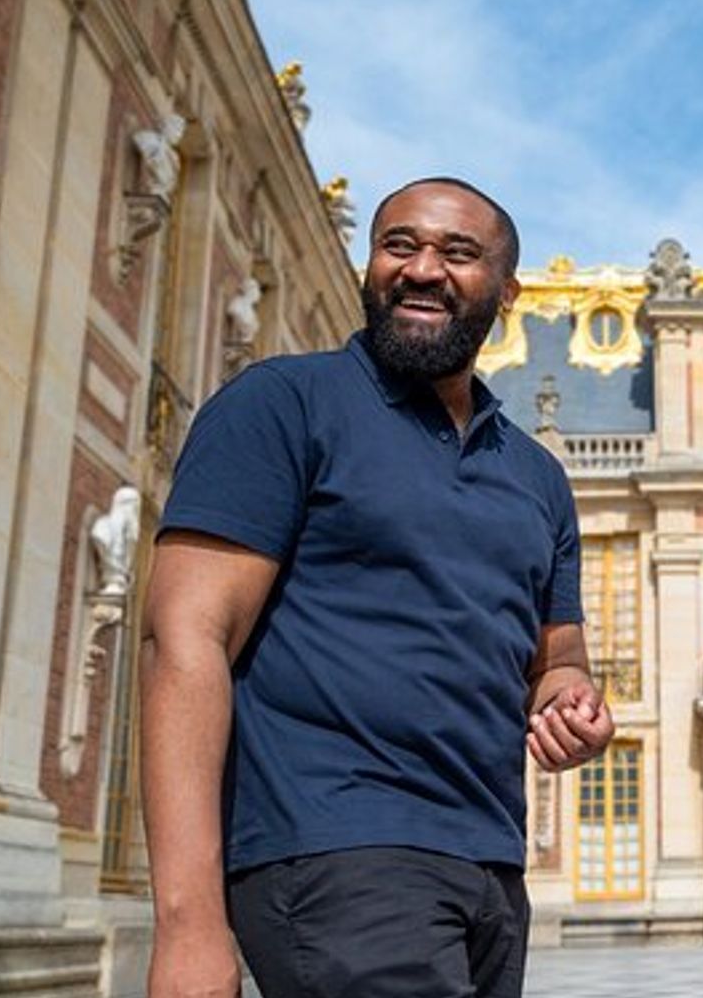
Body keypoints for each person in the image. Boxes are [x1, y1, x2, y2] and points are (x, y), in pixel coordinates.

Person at [142, 177, 613, 998]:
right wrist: (187, 924)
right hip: (332, 847)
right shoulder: (283, 404)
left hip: (489, 866)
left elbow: (558, 658)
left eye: (457, 253)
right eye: (400, 245)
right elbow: (185, 640)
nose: (423, 268)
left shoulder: (536, 475)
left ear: (507, 293)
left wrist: (568, 702)